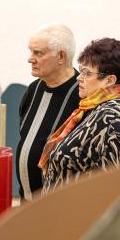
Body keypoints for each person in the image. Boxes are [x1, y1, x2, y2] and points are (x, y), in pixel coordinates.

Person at [40, 38, 120, 193]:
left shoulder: (112, 118)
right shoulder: (101, 106)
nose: (79, 77)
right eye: (81, 70)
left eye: (87, 73)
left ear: (109, 80)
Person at [17, 23, 80, 200]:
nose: (30, 59)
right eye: (31, 52)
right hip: (27, 203)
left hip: (60, 207)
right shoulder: (33, 90)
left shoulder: (82, 96)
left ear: (61, 56)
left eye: (38, 53)